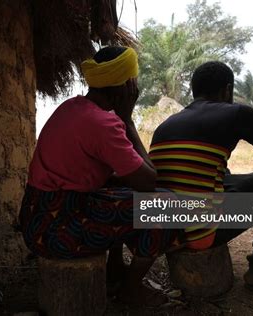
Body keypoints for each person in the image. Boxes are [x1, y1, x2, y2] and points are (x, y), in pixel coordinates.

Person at [19, 46, 174, 305]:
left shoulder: (71, 108)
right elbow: (149, 181)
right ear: (124, 86)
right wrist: (128, 120)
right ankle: (130, 290)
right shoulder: (105, 123)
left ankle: (114, 270)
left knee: (115, 192)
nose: (135, 89)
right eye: (133, 82)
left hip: (36, 219)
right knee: (166, 205)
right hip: (58, 231)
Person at [150, 61, 253, 291]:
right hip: (200, 231)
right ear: (227, 90)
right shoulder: (237, 113)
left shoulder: (166, 124)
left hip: (165, 227)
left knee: (222, 172)